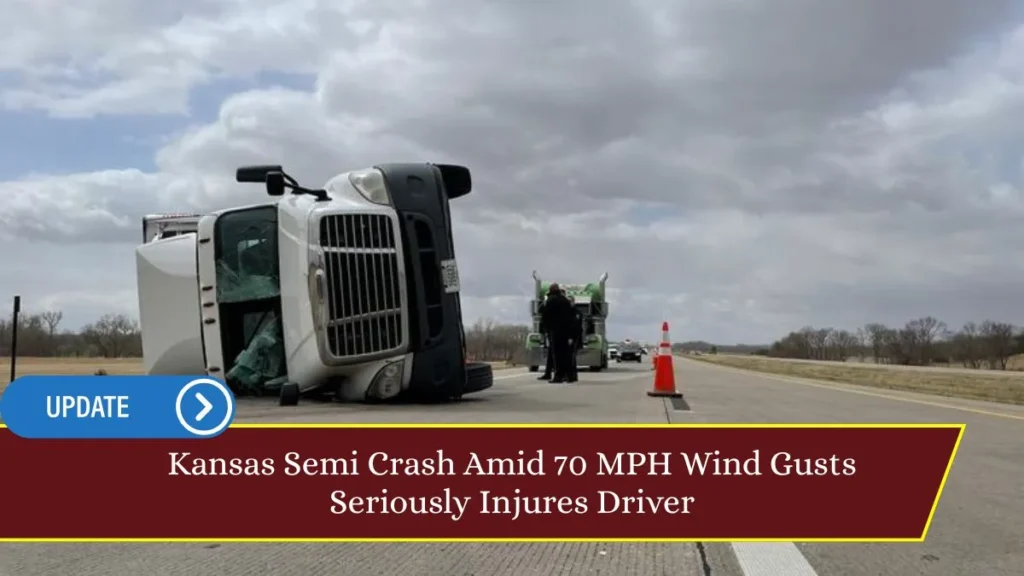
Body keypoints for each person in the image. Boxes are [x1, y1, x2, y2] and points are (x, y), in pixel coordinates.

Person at [541, 283, 574, 383]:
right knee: (566, 354)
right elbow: (570, 316)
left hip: (555, 330)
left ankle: (558, 376)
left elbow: (545, 314)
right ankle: (569, 375)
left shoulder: (551, 300)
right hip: (565, 331)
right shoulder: (565, 301)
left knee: (557, 355)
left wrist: (546, 329)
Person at [537, 293, 556, 381]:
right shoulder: (562, 302)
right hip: (552, 330)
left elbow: (542, 311)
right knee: (552, 352)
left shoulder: (550, 302)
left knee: (554, 353)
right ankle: (549, 372)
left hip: (552, 330)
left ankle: (554, 373)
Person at [566, 296, 584, 382]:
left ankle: (572, 375)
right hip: (569, 337)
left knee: (571, 357)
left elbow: (575, 326)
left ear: (573, 302)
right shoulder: (566, 311)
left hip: (574, 338)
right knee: (568, 357)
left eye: (570, 301)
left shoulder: (576, 313)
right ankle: (570, 375)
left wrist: (571, 337)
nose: (569, 303)